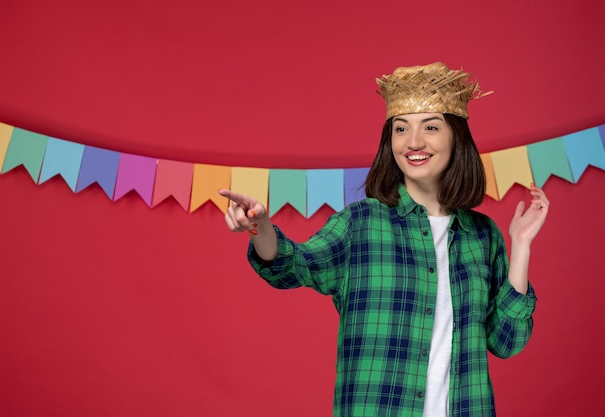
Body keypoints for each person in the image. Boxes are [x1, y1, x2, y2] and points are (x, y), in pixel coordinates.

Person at [218, 62, 549, 417]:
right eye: (401, 128)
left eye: (431, 127)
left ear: (456, 138)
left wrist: (521, 246)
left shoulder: (482, 235)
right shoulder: (359, 223)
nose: (414, 142)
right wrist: (261, 228)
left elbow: (506, 342)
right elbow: (293, 266)